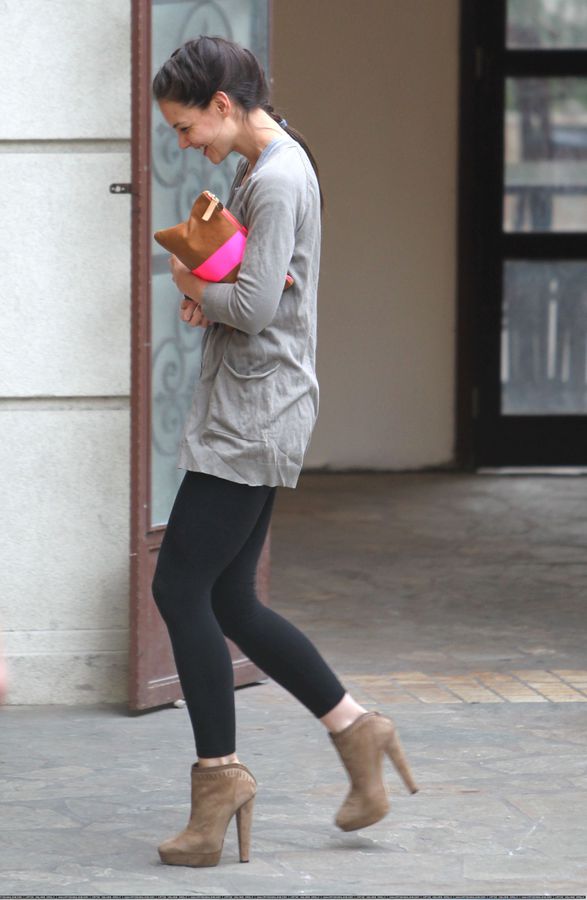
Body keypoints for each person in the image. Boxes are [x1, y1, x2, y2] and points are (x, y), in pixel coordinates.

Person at [151, 35, 418, 869]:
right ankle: (357, 731)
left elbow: (257, 307)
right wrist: (216, 292)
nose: (183, 143)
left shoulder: (274, 177)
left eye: (186, 127)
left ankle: (219, 782)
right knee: (230, 599)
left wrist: (193, 287)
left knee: (177, 586)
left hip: (252, 415)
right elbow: (260, 289)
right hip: (258, 404)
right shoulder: (270, 163)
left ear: (222, 105)